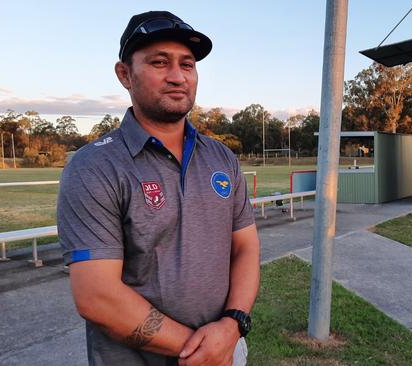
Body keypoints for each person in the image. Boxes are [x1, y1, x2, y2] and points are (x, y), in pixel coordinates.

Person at [57, 11, 260, 366]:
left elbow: (246, 248)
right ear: (125, 74)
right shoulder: (95, 167)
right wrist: (204, 351)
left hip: (226, 348)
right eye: (159, 62)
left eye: (187, 64)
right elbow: (97, 296)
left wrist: (232, 325)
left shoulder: (222, 158)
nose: (177, 76)